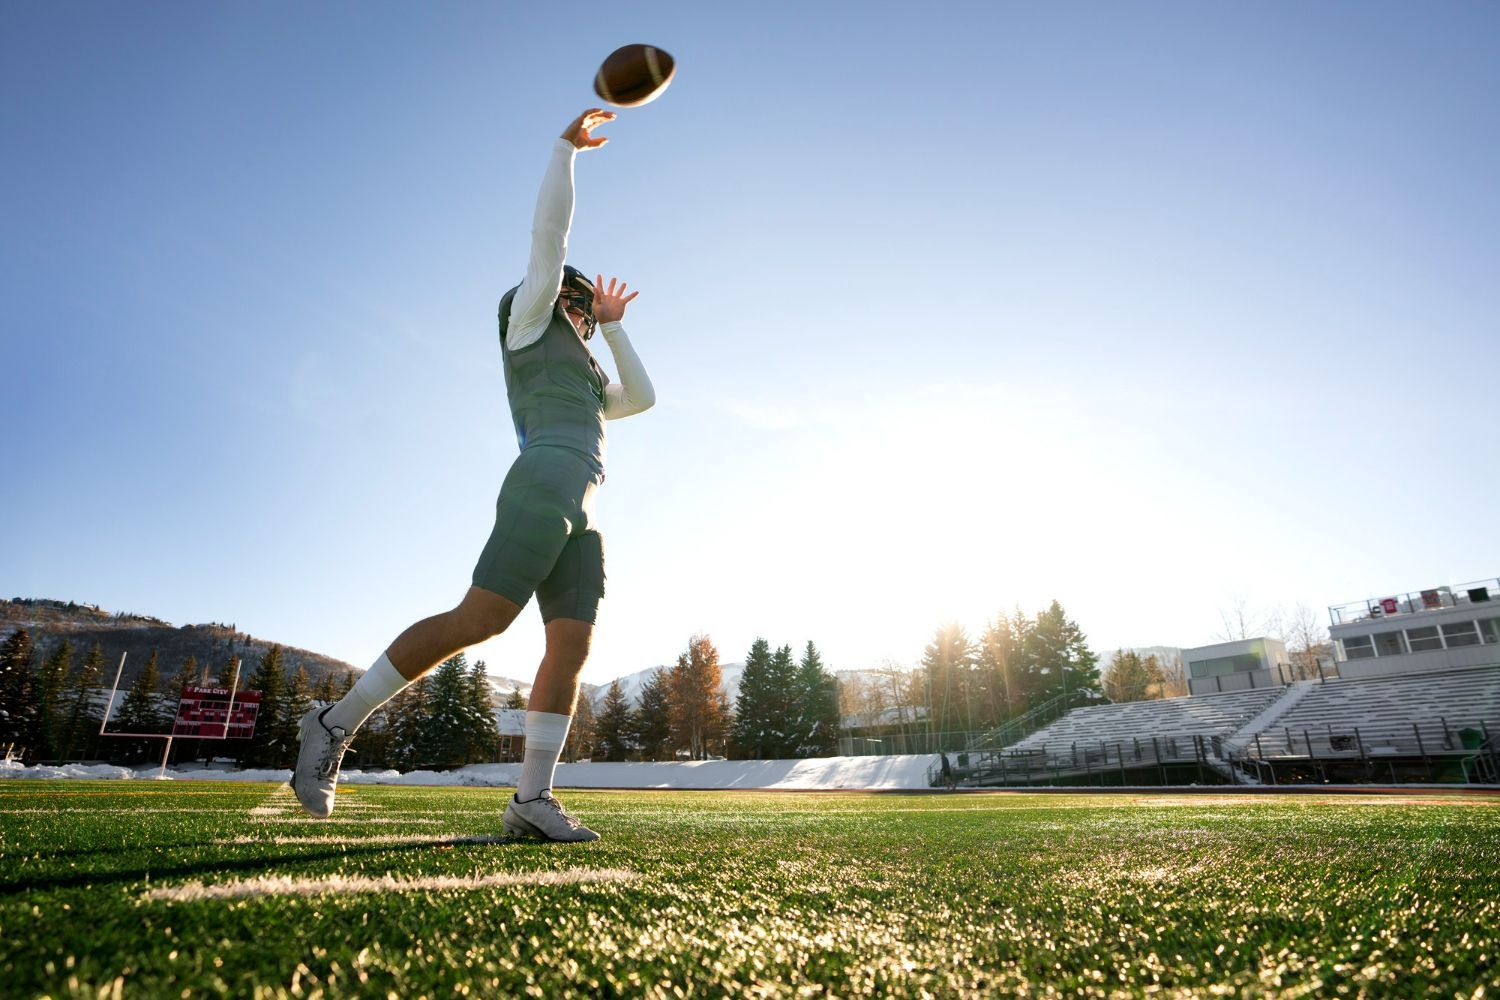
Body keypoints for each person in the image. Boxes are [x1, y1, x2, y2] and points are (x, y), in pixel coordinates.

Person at [290, 108, 655, 842]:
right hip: (541, 483)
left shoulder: (586, 376)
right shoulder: (526, 321)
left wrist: (616, 327)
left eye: (587, 310)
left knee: (572, 646)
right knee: (481, 620)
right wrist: (564, 151)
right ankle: (333, 723)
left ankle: (530, 800)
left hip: (582, 504)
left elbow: (642, 398)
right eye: (581, 305)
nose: (583, 313)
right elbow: (548, 239)